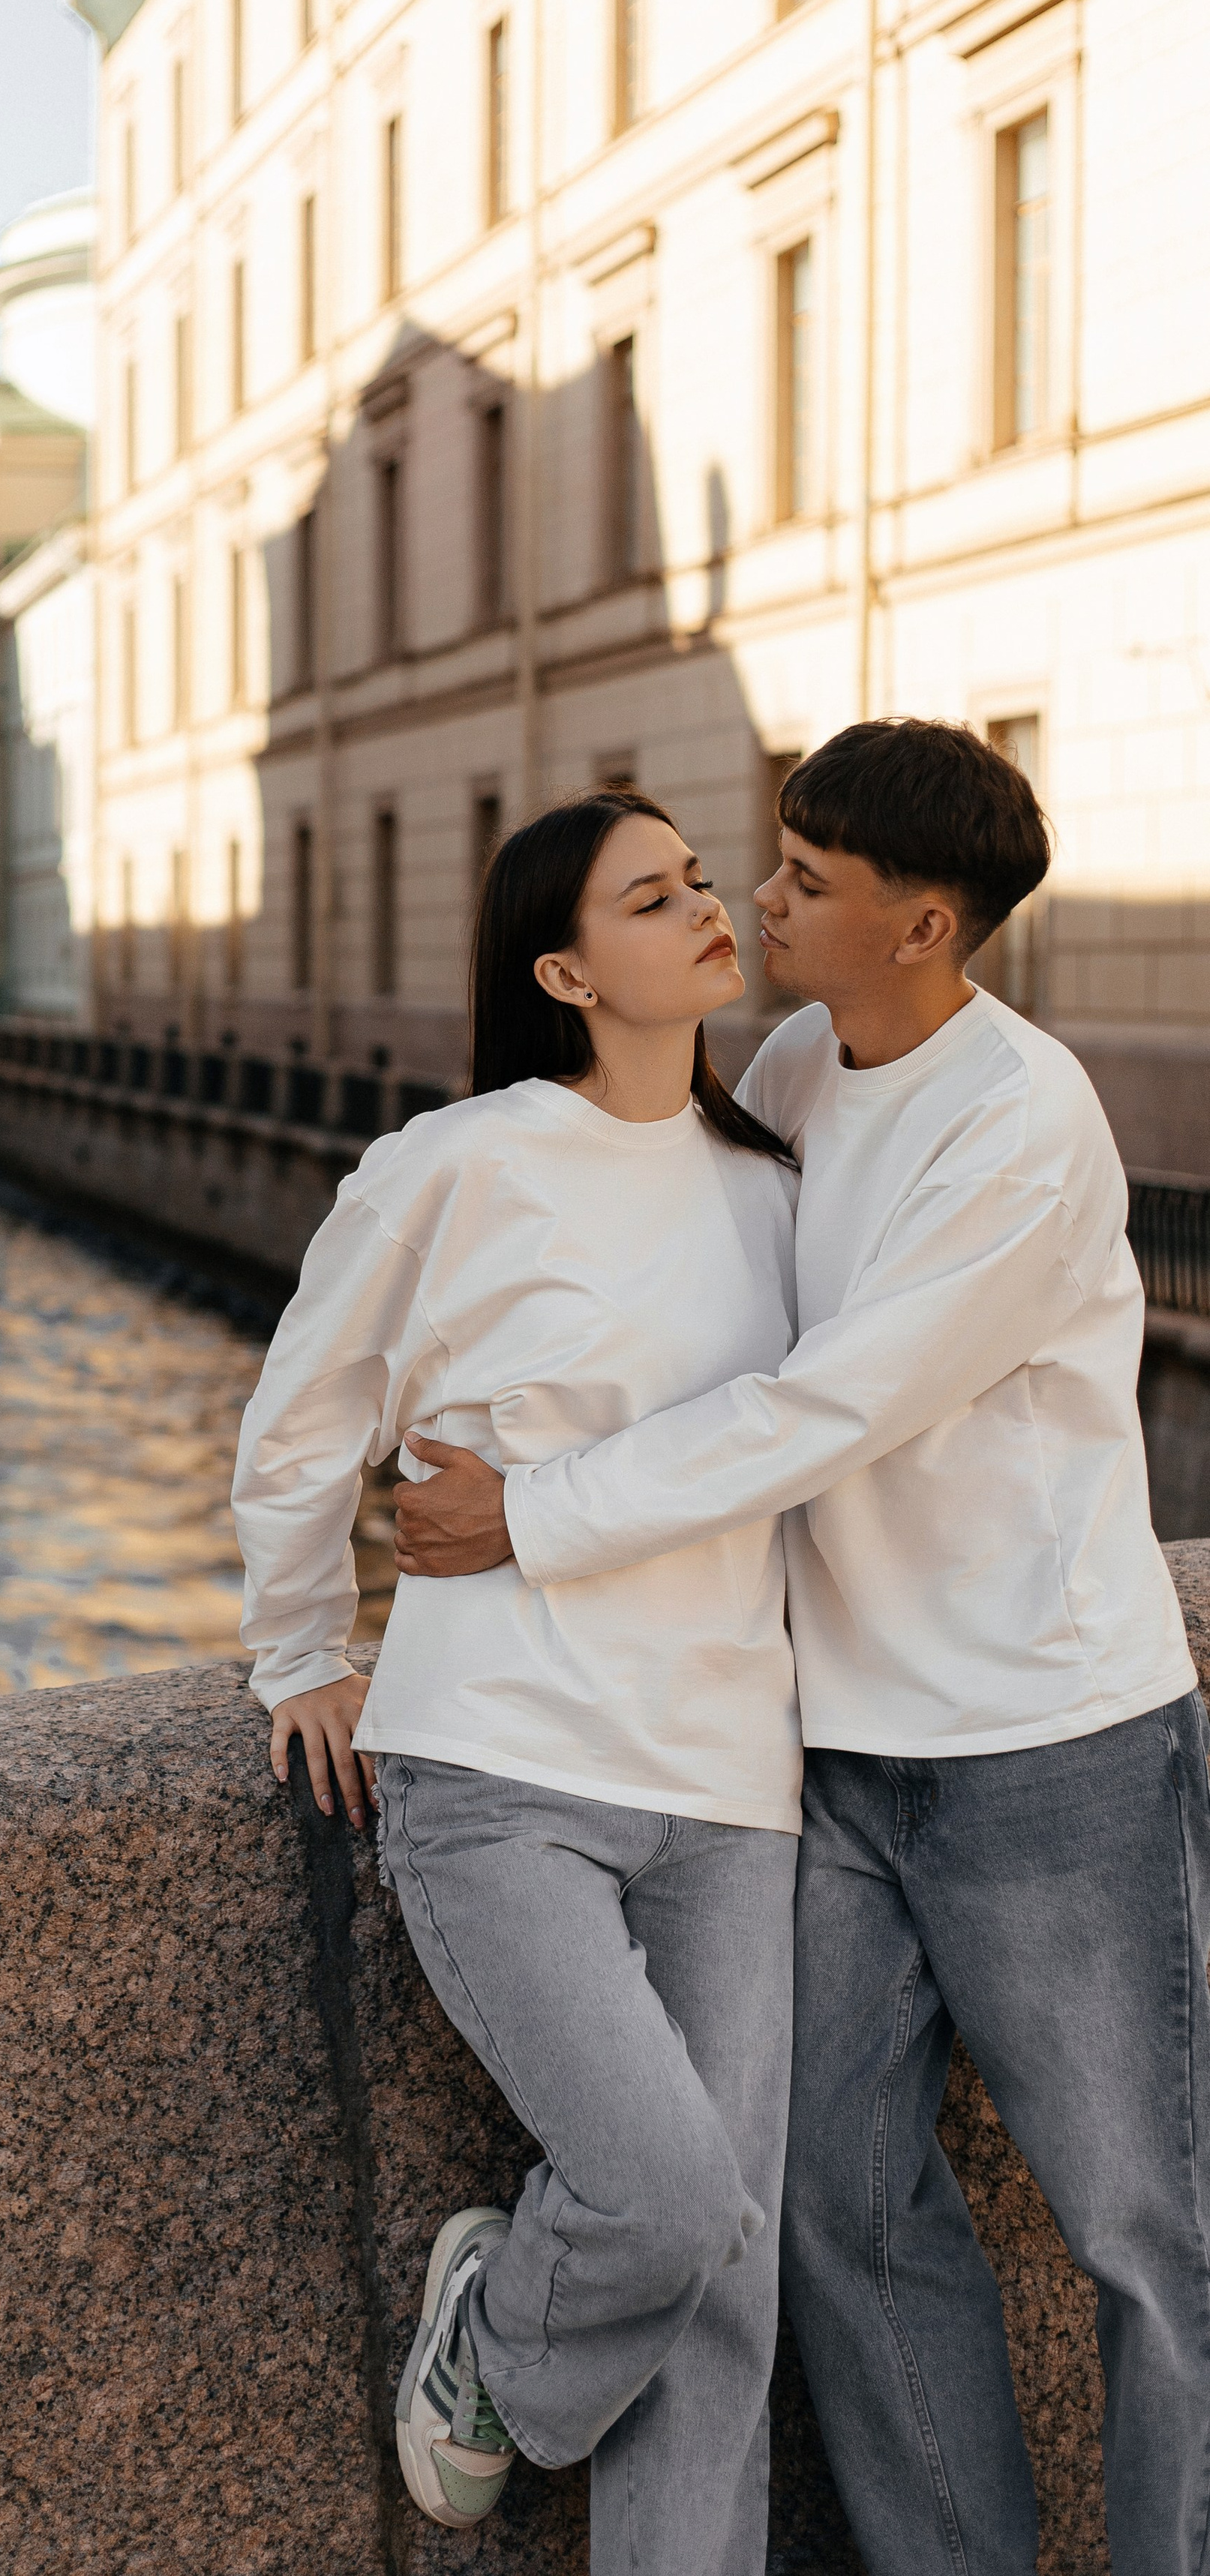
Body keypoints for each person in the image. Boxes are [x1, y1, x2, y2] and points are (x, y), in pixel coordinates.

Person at [394, 719, 1206, 2576]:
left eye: (803, 884)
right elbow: (645, 1297)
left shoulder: (1020, 1126)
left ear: (920, 927)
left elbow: (813, 1410)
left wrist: (527, 1514)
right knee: (836, 2221)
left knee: (1150, 2239)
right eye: (765, 863)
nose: (756, 899)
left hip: (1044, 1746)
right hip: (820, 1754)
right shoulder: (791, 1063)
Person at [234, 788, 805, 2572]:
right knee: (661, 2195)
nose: (705, 907)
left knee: (730, 2274)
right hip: (499, 1770)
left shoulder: (776, 1186)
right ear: (564, 968)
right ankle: (492, 2337)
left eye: (702, 879)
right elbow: (302, 1414)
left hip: (731, 1776)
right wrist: (301, 1648)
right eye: (653, 897)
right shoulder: (457, 1161)